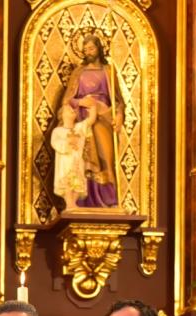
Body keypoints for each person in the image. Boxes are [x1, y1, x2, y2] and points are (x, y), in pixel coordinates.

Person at [51, 33, 125, 210]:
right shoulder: (78, 73)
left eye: (91, 48)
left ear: (99, 48)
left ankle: (108, 200)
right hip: (83, 118)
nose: (88, 52)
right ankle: (81, 200)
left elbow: (119, 100)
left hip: (103, 118)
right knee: (81, 159)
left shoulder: (109, 71)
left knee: (105, 157)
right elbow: (67, 100)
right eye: (85, 50)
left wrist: (119, 114)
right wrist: (81, 102)